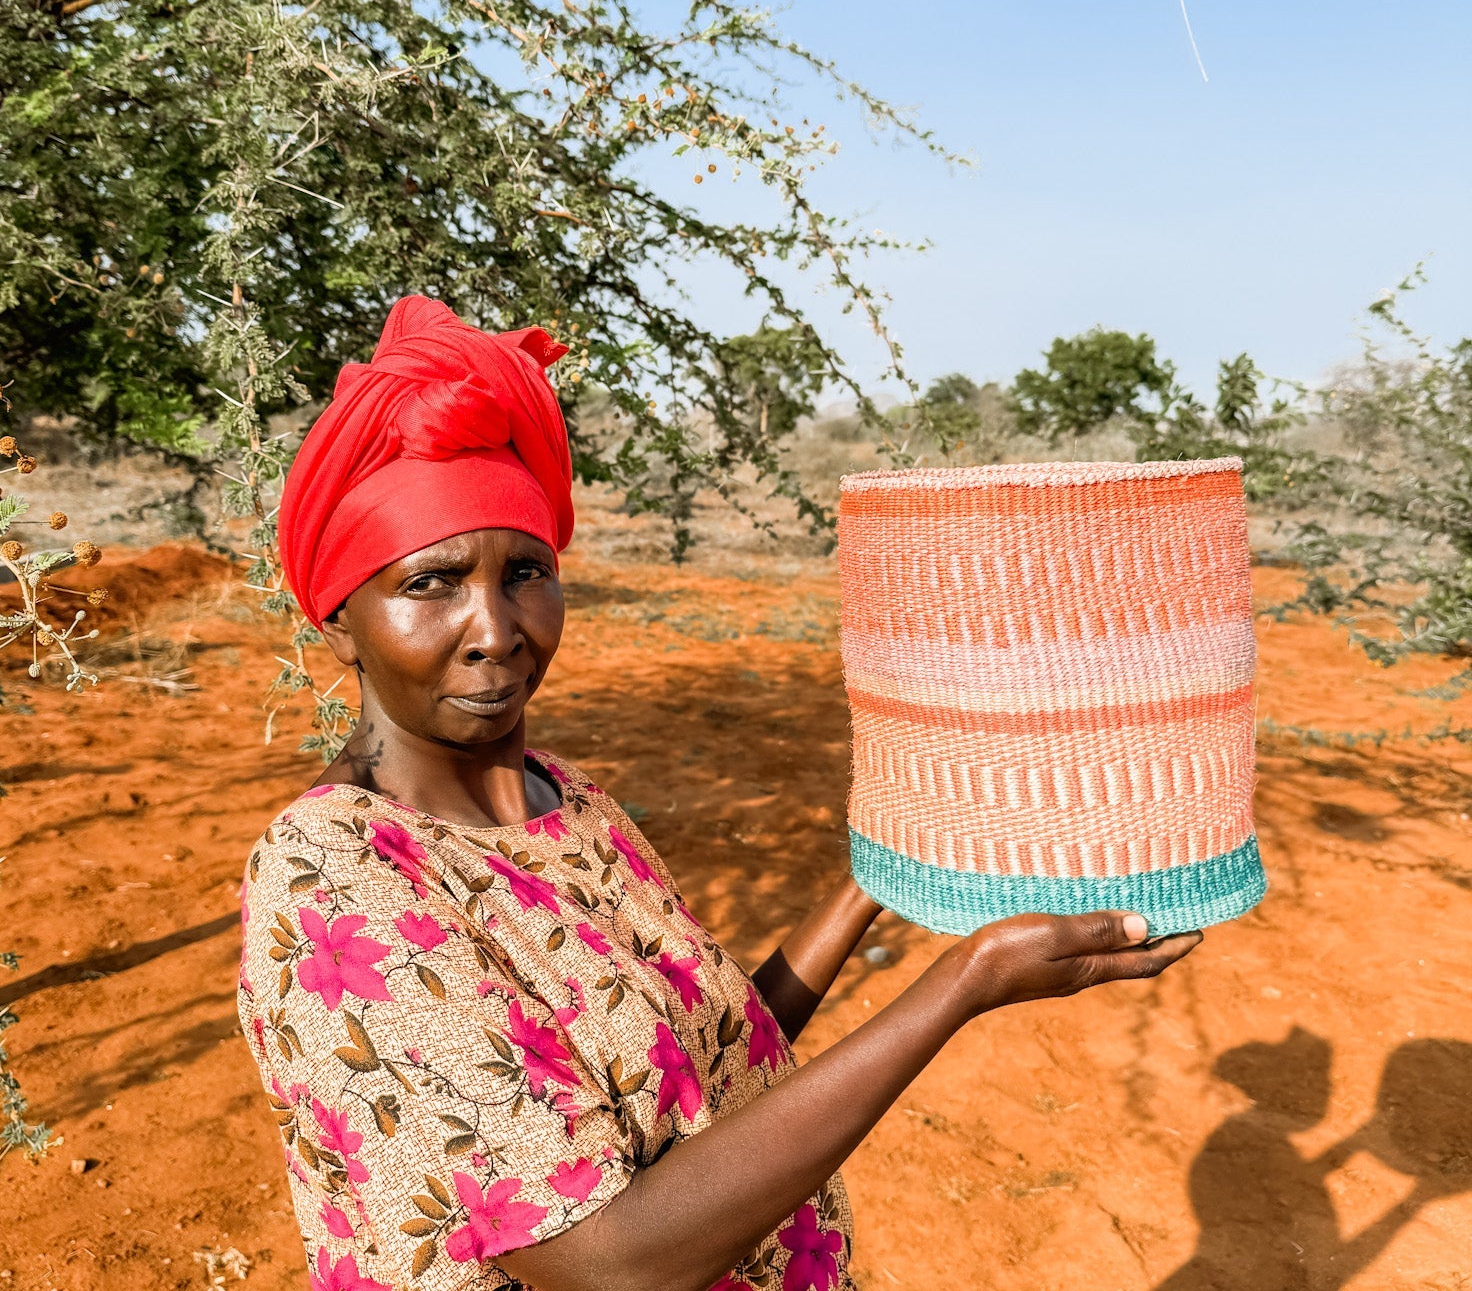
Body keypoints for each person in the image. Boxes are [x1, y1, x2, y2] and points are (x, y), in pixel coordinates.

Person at [237, 295, 1202, 1291]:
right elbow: (609, 1263)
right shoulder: (336, 880)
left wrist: (873, 881)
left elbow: (720, 1060)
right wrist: (963, 988)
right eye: (430, 583)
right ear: (339, 621)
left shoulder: (564, 801)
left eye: (525, 571)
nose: (496, 627)